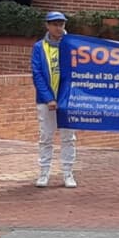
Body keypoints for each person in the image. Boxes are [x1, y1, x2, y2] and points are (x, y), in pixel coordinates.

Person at [31, 11, 77, 188]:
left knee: (68, 137)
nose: (59, 28)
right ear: (47, 26)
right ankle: (44, 173)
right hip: (46, 101)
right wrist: (49, 98)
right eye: (55, 24)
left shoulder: (72, 46)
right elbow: (37, 74)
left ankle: (68, 173)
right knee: (45, 137)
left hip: (67, 100)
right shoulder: (39, 47)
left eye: (61, 24)